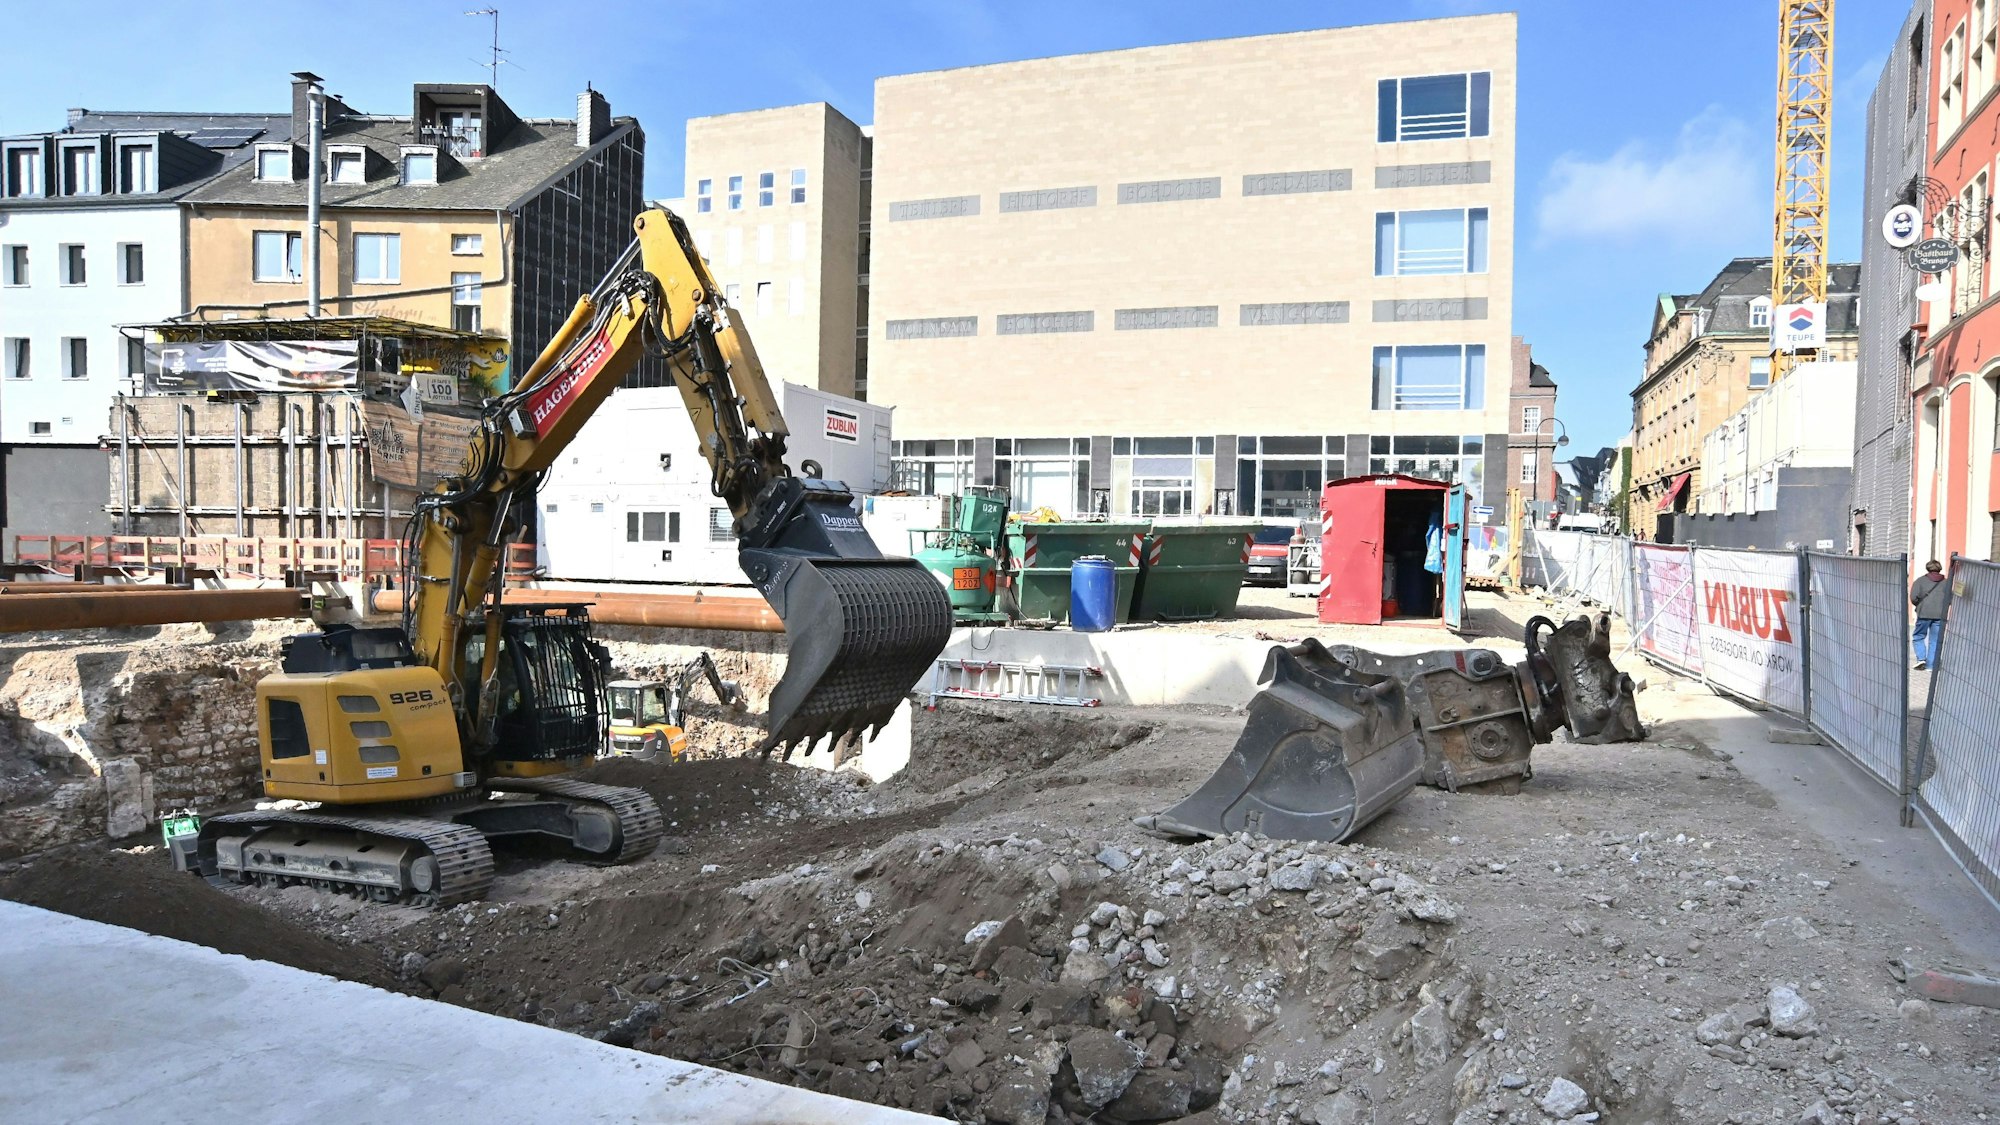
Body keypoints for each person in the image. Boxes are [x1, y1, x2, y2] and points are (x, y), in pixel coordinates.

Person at [1910, 560, 1951, 670]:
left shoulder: (1920, 581)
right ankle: (1931, 665)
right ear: (1939, 569)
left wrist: (1919, 604)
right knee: (1935, 639)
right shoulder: (1947, 582)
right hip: (1940, 615)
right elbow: (1950, 598)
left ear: (1927, 568)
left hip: (1923, 613)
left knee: (1918, 636)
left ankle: (1921, 659)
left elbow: (1914, 597)